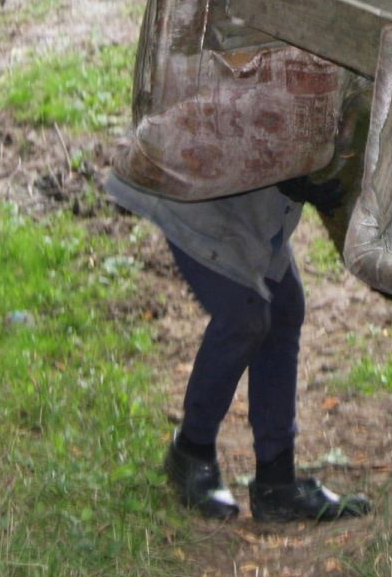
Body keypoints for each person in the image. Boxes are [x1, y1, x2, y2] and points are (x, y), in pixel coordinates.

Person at [105, 171, 371, 523]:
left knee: (283, 307)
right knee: (243, 315)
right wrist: (290, 170)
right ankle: (191, 451)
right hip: (196, 195)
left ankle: (277, 480)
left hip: (252, 202)